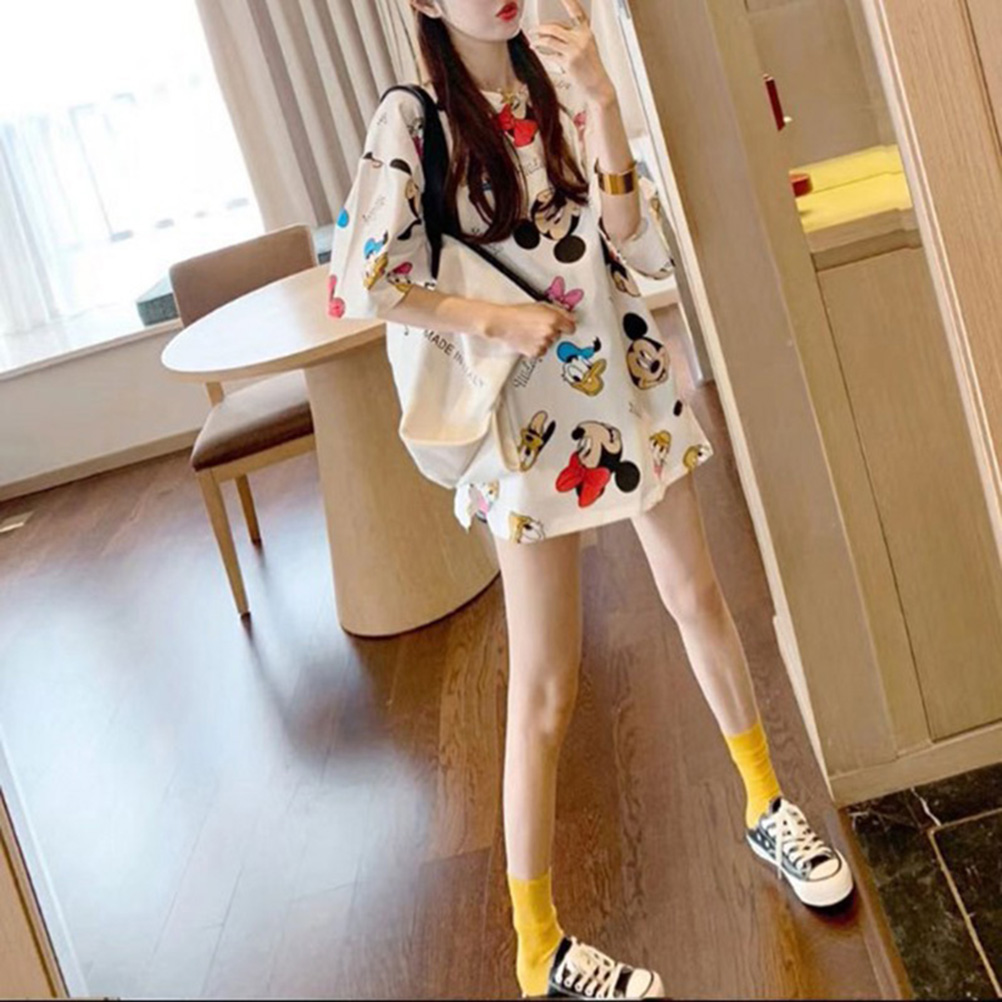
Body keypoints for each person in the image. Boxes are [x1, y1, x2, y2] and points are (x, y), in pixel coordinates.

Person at [327, 0, 854, 996]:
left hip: (627, 385)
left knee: (699, 598)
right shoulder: (414, 117)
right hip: (524, 429)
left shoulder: (561, 84)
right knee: (545, 685)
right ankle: (538, 951)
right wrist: (495, 320)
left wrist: (603, 103)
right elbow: (367, 280)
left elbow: (634, 247)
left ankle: (764, 804)